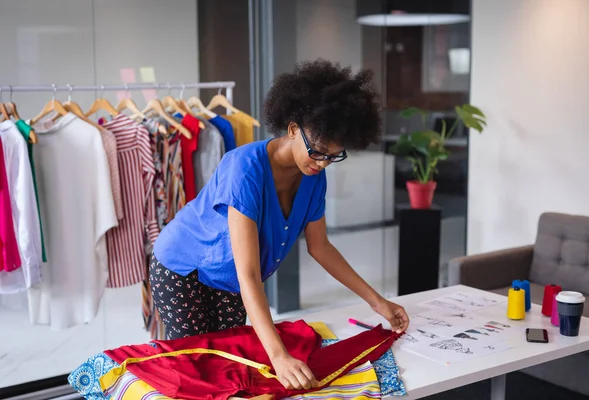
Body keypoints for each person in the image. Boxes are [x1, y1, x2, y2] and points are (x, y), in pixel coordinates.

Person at [151, 59, 410, 391]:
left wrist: (377, 301)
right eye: (317, 152)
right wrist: (279, 355)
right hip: (183, 267)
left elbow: (321, 247)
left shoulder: (314, 178)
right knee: (194, 370)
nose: (322, 163)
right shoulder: (244, 168)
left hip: (229, 277)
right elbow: (247, 273)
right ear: (291, 129)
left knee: (230, 363)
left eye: (333, 155)